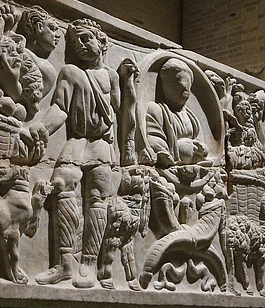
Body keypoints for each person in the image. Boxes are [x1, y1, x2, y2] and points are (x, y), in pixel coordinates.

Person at [27, 18, 132, 288]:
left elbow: (121, 110)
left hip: (101, 144)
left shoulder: (110, 77)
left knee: (97, 198)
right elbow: (60, 109)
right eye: (77, 42)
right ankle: (65, 263)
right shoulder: (70, 72)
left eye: (87, 38)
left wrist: (128, 82)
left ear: (102, 42)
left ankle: (87, 263)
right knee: (61, 185)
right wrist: (41, 128)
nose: (82, 45)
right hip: (76, 140)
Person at [145, 58, 209, 168]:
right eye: (177, 83)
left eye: (187, 86)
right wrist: (178, 149)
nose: (184, 88)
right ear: (165, 85)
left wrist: (202, 149)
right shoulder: (156, 110)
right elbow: (154, 138)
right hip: (171, 166)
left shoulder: (191, 117)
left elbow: (200, 140)